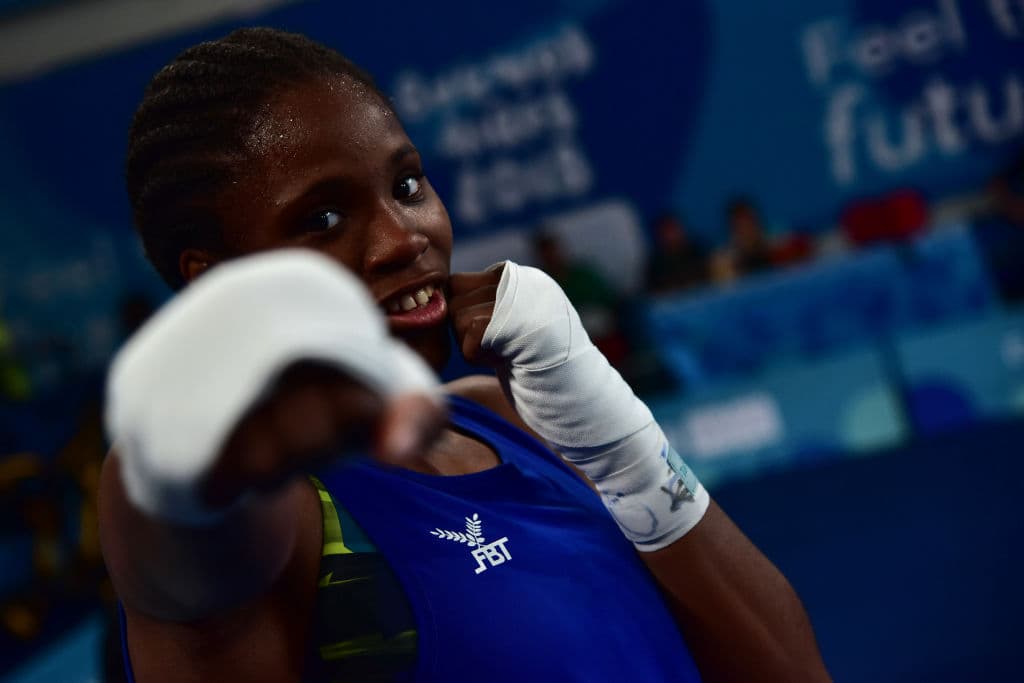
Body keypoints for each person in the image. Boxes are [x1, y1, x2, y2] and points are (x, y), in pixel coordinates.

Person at [99, 28, 830, 682]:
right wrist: (187, 449)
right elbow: (182, 561)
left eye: (407, 184)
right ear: (217, 281)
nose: (402, 237)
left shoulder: (505, 417)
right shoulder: (284, 518)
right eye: (323, 218)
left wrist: (622, 442)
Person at [645, 212, 709, 294]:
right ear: (660, 236)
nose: (671, 236)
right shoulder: (656, 264)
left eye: (673, 229)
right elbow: (655, 292)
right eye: (666, 232)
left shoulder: (698, 251)